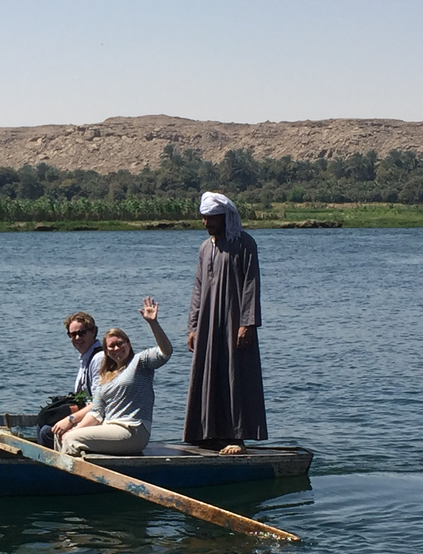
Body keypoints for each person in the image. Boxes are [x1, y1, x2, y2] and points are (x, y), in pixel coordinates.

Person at [183, 191, 268, 455]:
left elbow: (251, 285)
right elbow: (198, 288)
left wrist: (247, 323)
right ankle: (207, 433)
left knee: (235, 372)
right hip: (208, 321)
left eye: (210, 218)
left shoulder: (244, 244)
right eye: (203, 218)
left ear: (224, 217)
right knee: (207, 371)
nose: (205, 223)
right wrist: (193, 326)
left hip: (234, 320)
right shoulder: (205, 248)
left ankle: (236, 436)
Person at [57, 297, 172, 456]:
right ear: (106, 350)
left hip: (133, 429)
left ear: (128, 344)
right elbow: (96, 414)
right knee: (63, 436)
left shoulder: (140, 362)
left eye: (120, 343)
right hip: (109, 427)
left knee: (71, 439)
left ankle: (68, 478)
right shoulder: (105, 376)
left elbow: (165, 352)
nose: (116, 348)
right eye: (111, 346)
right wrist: (75, 427)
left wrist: (153, 323)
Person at [36, 312, 105, 448]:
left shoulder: (98, 359)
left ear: (93, 332)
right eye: (72, 335)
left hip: (100, 417)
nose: (77, 338)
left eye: (82, 333)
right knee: (44, 420)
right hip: (90, 412)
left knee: (46, 432)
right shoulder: (87, 358)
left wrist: (70, 420)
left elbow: (100, 403)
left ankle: (55, 466)